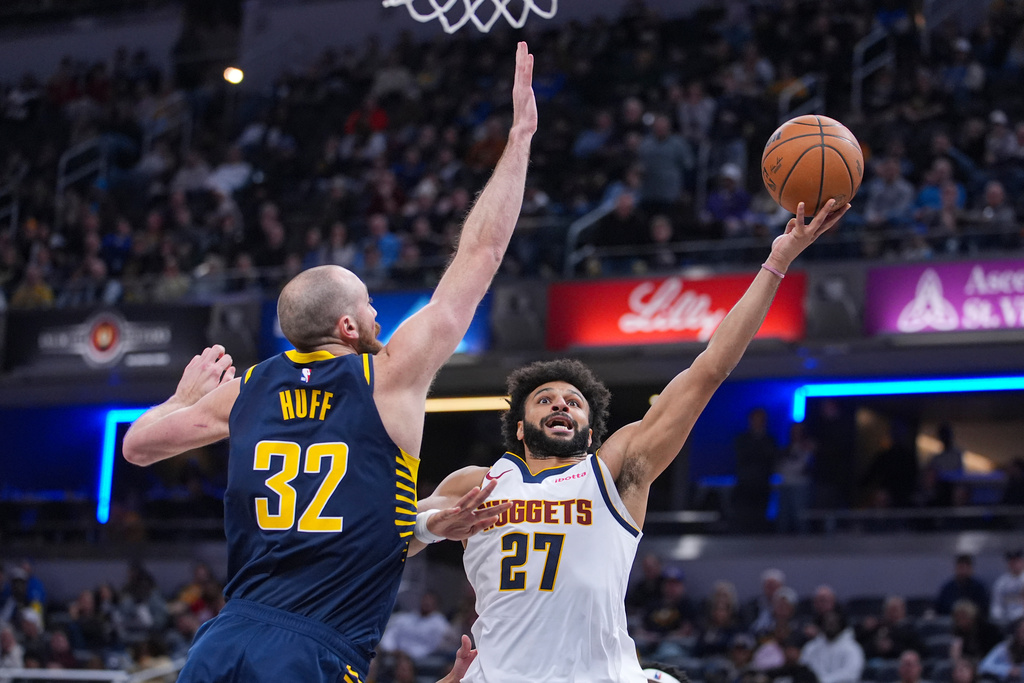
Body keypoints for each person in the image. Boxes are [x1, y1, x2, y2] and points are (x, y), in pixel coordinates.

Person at [120, 42, 538, 683]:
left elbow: (139, 447)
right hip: (314, 648)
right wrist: (519, 138)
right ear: (347, 326)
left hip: (223, 640)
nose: (377, 318)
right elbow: (478, 255)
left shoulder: (245, 391)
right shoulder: (389, 373)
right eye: (369, 307)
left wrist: (181, 396)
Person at [418, 199, 851, 681]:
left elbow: (709, 370)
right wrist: (434, 524)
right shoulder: (475, 484)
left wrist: (778, 262)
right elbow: (390, 538)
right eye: (544, 399)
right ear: (519, 427)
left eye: (573, 401)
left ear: (589, 428)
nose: (561, 404)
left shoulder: (613, 469)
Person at [990, 549, 1024, 629]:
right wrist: (999, 617)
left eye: (1017, 561)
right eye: (1012, 562)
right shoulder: (1001, 583)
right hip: (1006, 620)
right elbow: (996, 605)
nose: (1014, 564)